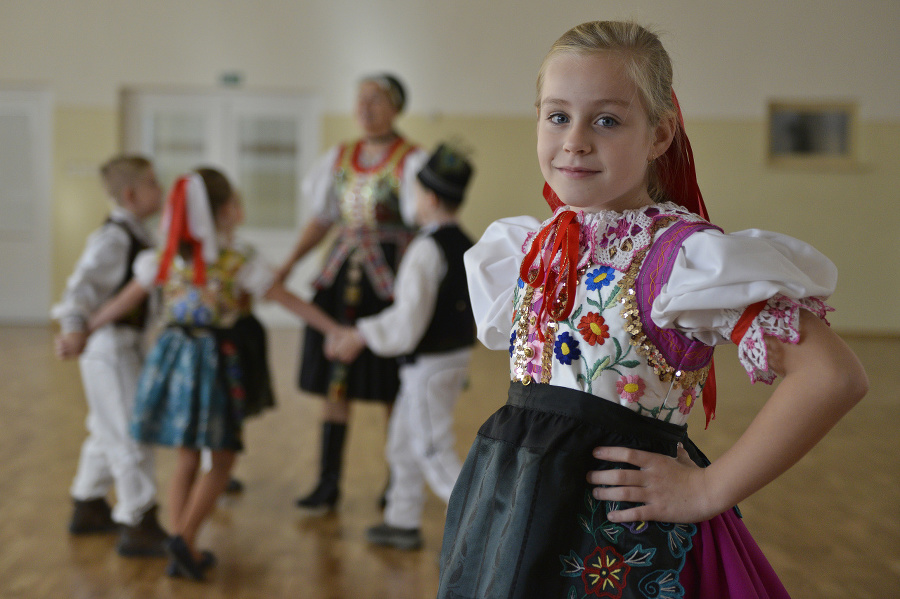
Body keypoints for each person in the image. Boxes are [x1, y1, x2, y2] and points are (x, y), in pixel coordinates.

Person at [437, 21, 868, 599]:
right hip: (514, 511)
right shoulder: (525, 245)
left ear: (661, 133)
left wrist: (709, 490)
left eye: (607, 120)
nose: (575, 140)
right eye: (557, 115)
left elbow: (832, 375)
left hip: (616, 540)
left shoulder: (682, 259)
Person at [84, 168, 340, 581]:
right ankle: (183, 539)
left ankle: (180, 540)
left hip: (172, 360)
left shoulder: (164, 259)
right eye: (236, 203)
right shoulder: (237, 261)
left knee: (188, 454)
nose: (241, 210)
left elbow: (123, 300)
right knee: (221, 459)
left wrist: (85, 327)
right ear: (222, 213)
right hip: (214, 364)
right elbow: (286, 299)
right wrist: (334, 329)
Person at [276, 73, 428, 510]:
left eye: (376, 101)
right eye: (361, 100)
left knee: (391, 385)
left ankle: (396, 482)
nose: (365, 109)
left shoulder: (413, 160)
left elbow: (424, 225)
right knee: (334, 380)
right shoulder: (339, 158)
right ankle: (328, 482)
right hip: (342, 277)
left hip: (389, 283)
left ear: (396, 107)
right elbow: (321, 219)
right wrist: (288, 264)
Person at [326, 143, 476, 550]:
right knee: (403, 442)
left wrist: (360, 334)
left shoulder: (426, 249)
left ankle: (481, 532)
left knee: (432, 449)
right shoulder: (463, 242)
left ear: (427, 197)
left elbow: (408, 322)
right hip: (445, 360)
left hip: (429, 365)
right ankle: (401, 519)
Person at [52, 155, 169, 557]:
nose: (162, 189)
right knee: (130, 431)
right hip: (109, 346)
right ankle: (139, 519)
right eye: (154, 183)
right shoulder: (115, 237)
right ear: (131, 193)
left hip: (125, 343)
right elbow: (80, 286)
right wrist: (72, 326)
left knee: (106, 427)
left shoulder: (138, 232)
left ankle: (88, 504)